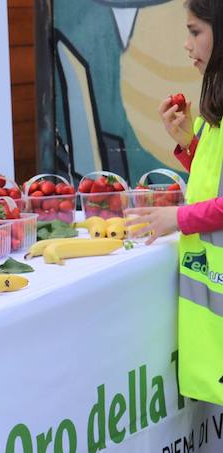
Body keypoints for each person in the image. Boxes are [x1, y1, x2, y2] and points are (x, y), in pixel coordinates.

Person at [126, 0, 223, 406]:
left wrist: (178, 218)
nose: (187, 44)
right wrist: (188, 143)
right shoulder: (214, 98)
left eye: (196, 31)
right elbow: (212, 176)